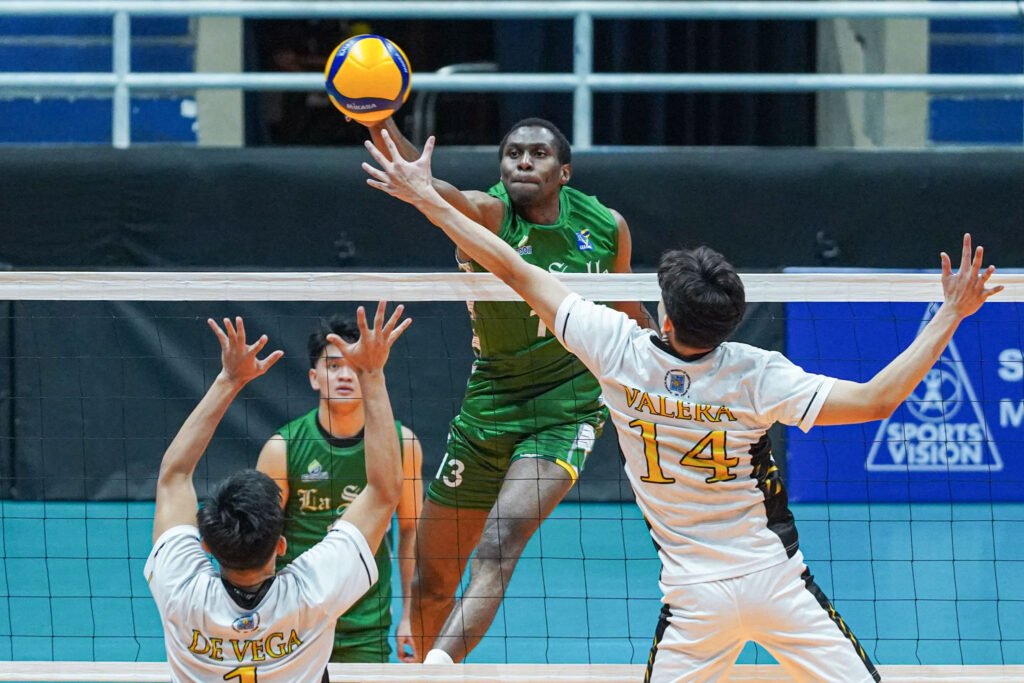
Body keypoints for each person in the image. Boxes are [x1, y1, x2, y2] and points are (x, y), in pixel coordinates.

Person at [361, 131, 1003, 679]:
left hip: (695, 601)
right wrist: (950, 314)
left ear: (664, 318)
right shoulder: (757, 375)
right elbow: (877, 399)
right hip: (778, 583)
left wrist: (426, 197)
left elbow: (511, 267)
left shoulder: (616, 350)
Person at [361, 115, 657, 660]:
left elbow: (628, 306)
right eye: (513, 153)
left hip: (567, 410)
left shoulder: (606, 226)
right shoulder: (489, 215)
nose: (523, 161)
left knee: (499, 542)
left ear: (564, 172)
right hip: (489, 407)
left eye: (538, 154)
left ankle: (436, 671)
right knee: (431, 580)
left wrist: (669, 360)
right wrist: (380, 120)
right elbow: (436, 192)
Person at [146, 304, 411, 682]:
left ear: (206, 546)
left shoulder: (182, 593)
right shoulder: (311, 595)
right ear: (281, 544)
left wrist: (227, 380)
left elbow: (173, 476)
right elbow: (384, 492)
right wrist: (372, 373)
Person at [256, 316, 424, 663]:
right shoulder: (282, 448)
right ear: (314, 378)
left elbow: (411, 530)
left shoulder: (402, 444)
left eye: (355, 366)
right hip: (294, 622)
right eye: (333, 366)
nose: (345, 375)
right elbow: (260, 541)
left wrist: (411, 614)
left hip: (366, 626)